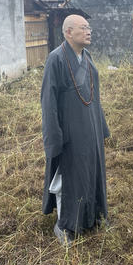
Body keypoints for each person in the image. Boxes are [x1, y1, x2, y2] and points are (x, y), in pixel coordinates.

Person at [40, 14, 110, 245]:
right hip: (70, 132)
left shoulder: (86, 57)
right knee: (70, 178)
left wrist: (101, 126)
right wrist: (54, 137)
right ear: (68, 32)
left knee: (92, 173)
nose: (89, 31)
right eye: (83, 28)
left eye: (89, 27)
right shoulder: (56, 59)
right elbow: (48, 101)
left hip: (90, 128)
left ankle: (91, 216)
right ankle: (65, 225)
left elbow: (95, 96)